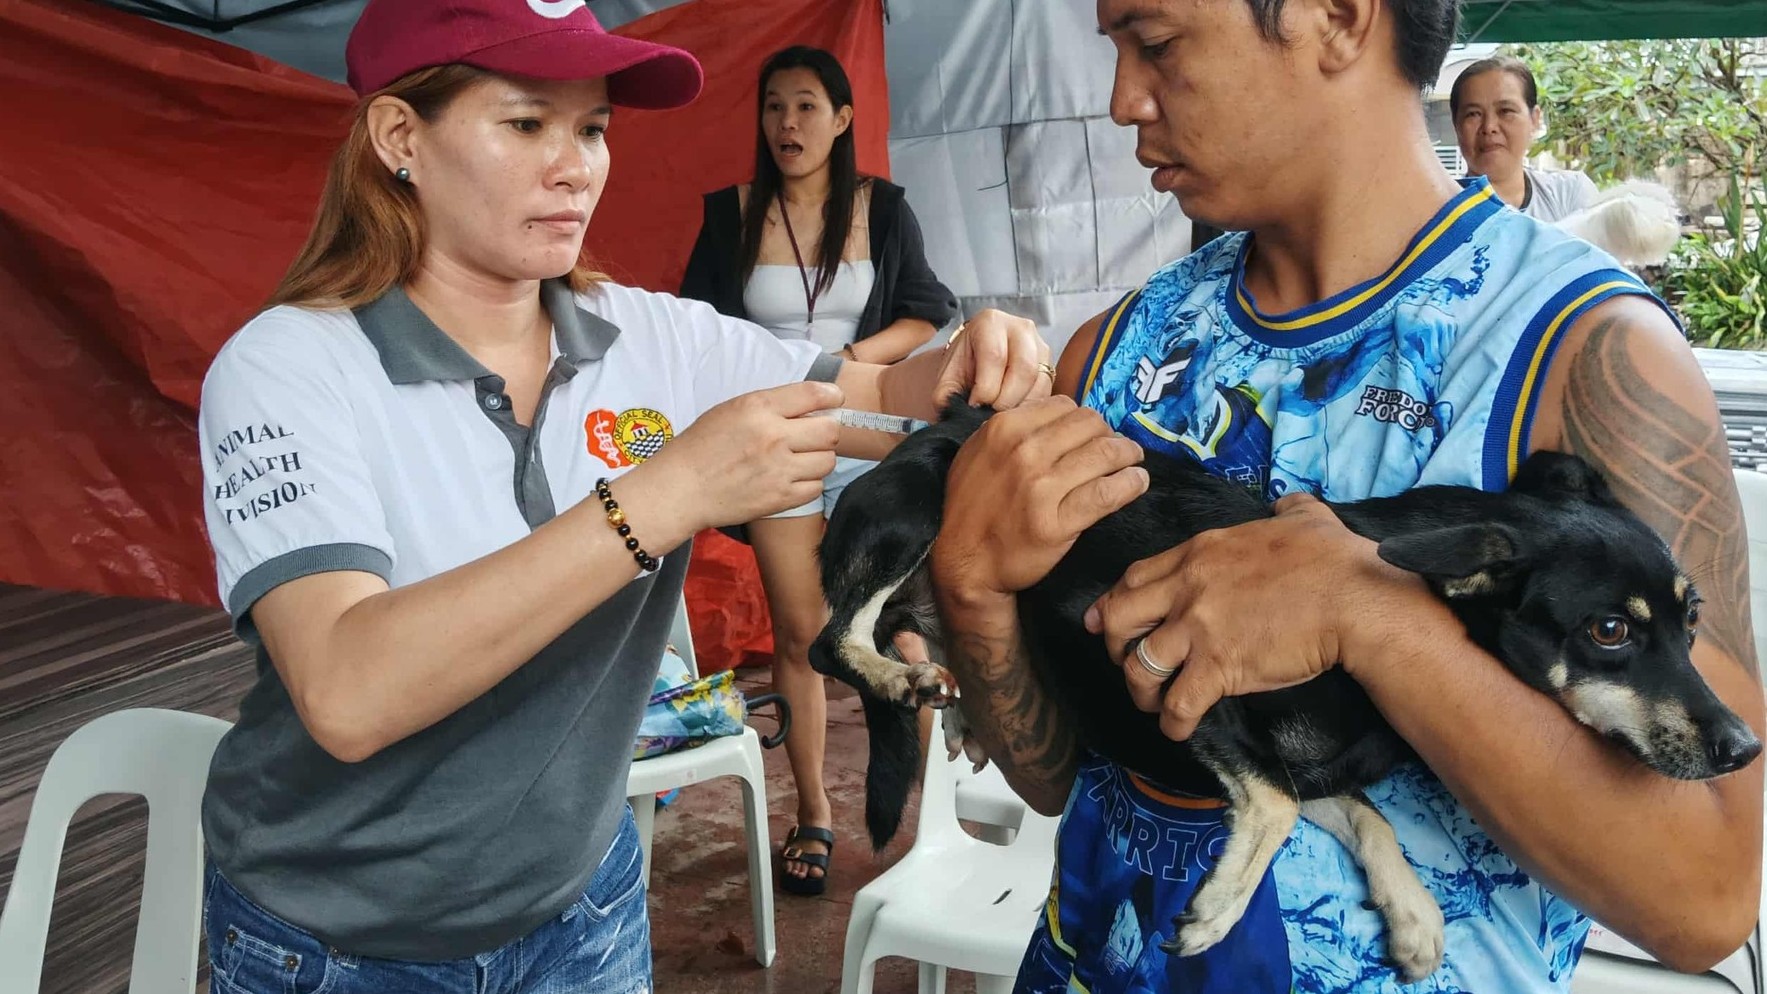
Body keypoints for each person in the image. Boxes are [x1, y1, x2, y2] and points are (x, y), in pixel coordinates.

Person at [193, 1, 1052, 991]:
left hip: (584, 913)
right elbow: (348, 690)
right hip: (339, 946)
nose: (575, 166)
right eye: (526, 123)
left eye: (593, 127)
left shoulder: (652, 340)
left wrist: (977, 350)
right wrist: (669, 491)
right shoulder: (290, 367)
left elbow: (879, 395)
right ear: (401, 138)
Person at [929, 2, 1765, 992]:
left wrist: (1371, 613)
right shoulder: (1118, 354)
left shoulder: (1578, 352)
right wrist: (974, 591)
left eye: (1156, 45)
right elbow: (1060, 772)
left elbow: (1706, 896)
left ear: (1336, 17)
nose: (1121, 101)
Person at [680, 45, 959, 895]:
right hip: (780, 443)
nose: (786, 124)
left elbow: (928, 310)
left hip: (869, 430)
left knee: (907, 615)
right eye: (773, 107)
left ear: (841, 120)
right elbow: (695, 331)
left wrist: (839, 360)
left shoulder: (882, 209)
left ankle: (923, 806)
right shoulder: (729, 214)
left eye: (805, 106)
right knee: (803, 636)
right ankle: (814, 813)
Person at [1452, 55, 1598, 221]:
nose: (1489, 127)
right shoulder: (1437, 213)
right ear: (1456, 125)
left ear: (1534, 119)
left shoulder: (1569, 193)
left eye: (1506, 111)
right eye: (1473, 114)